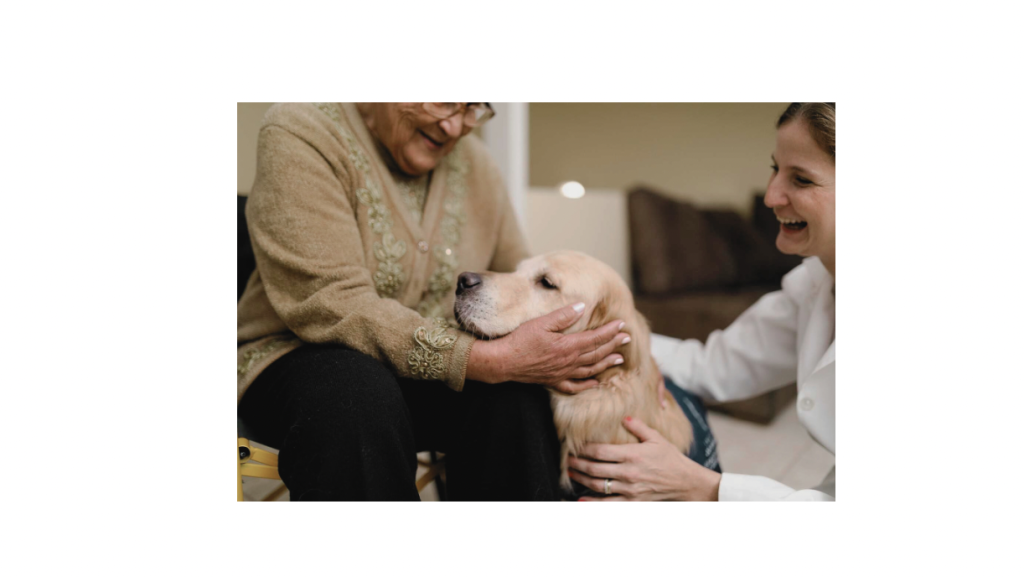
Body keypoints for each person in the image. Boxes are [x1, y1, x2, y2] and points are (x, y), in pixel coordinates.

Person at [237, 103, 630, 501]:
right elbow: (329, 300)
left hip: (429, 375)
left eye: (474, 106)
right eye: (443, 98)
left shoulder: (478, 165)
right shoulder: (302, 129)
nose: (454, 125)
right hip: (296, 356)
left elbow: (514, 280)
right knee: (355, 394)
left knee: (515, 398)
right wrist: (490, 361)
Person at [567, 103, 836, 501]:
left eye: (801, 179)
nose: (771, 195)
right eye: (775, 168)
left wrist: (705, 488)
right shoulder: (815, 286)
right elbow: (712, 365)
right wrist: (613, 341)